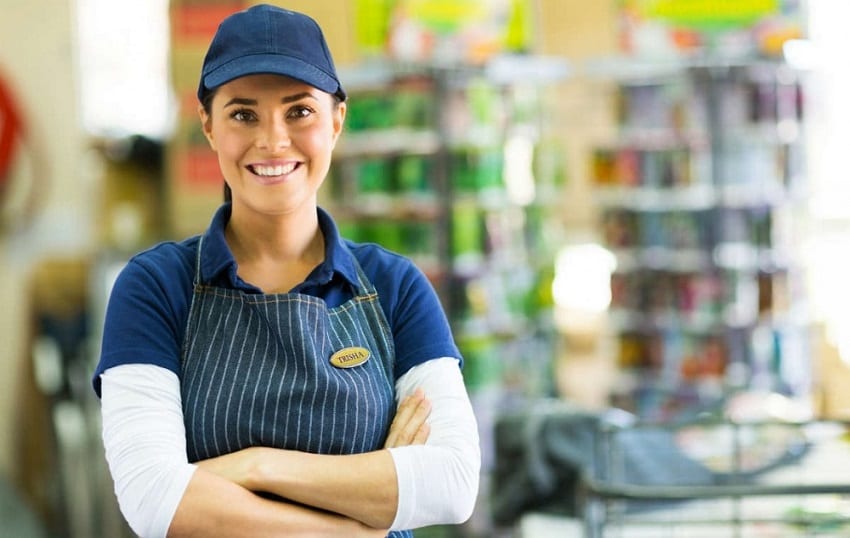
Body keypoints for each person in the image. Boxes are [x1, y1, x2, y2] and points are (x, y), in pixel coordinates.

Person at [92, 4, 480, 537]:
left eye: (299, 111)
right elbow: (152, 499)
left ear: (337, 120)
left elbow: (452, 483)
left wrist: (255, 467)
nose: (273, 141)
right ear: (207, 124)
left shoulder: (394, 287)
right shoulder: (155, 288)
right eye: (243, 114)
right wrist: (362, 520)